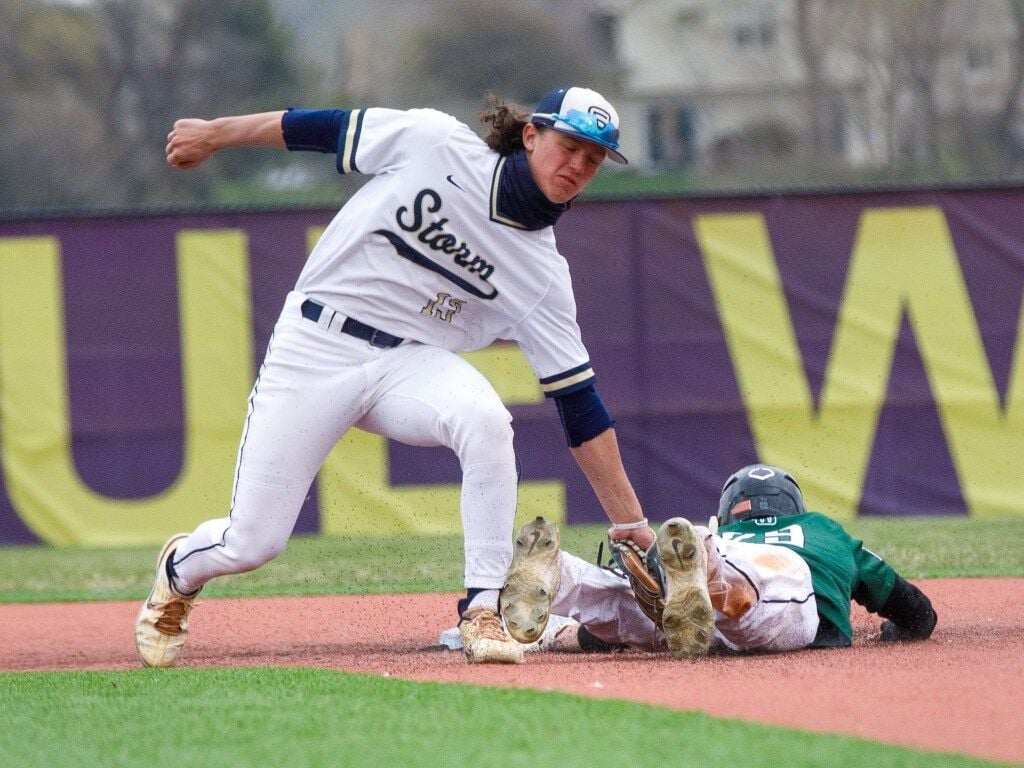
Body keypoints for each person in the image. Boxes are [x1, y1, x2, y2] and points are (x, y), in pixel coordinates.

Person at [134, 86, 657, 668]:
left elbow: (579, 403)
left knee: (484, 420)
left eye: (594, 158)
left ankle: (484, 607)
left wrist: (630, 522)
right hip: (316, 344)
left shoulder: (542, 276)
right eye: (571, 145)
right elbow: (325, 128)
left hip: (406, 364)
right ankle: (180, 570)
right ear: (531, 135)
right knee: (253, 542)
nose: (579, 165)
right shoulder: (436, 145)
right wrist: (216, 133)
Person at [498, 464, 938, 657]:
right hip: (774, 605)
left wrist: (571, 638)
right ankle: (710, 578)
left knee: (623, 604)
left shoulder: (730, 531)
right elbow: (918, 613)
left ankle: (565, 576)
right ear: (793, 506)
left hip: (707, 618)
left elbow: (605, 639)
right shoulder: (824, 531)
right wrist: (895, 629)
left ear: (729, 510)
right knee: (769, 590)